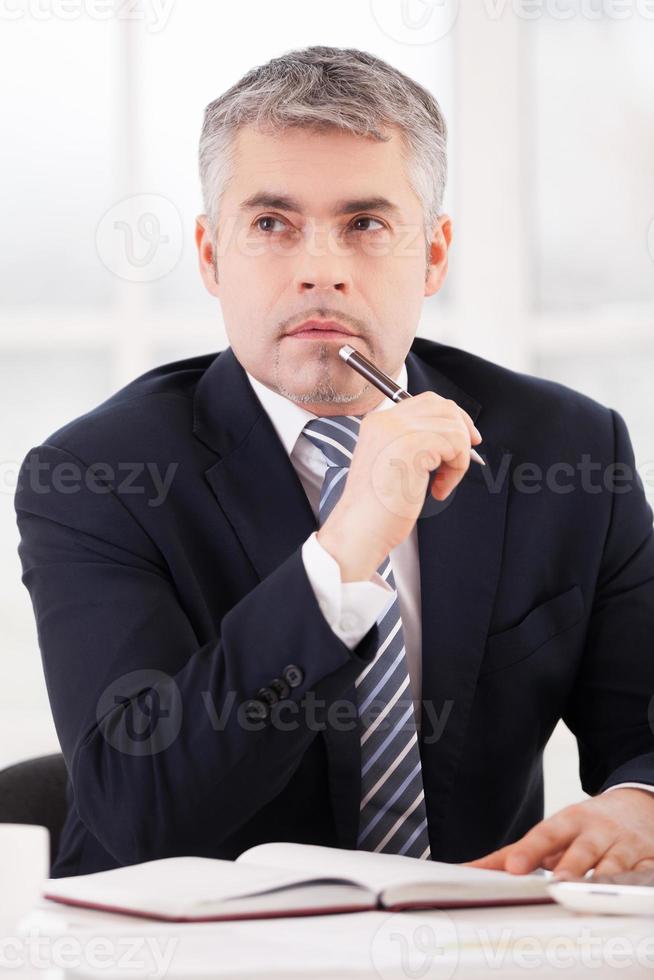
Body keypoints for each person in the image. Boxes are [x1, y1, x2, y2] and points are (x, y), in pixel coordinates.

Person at [15, 46, 654, 879]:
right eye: (272, 225)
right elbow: (143, 811)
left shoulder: (567, 448)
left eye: (366, 224)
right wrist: (345, 552)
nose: (320, 270)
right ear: (211, 256)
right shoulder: (97, 476)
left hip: (474, 949)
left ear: (432, 253)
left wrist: (641, 802)